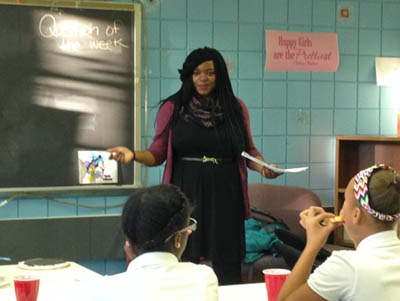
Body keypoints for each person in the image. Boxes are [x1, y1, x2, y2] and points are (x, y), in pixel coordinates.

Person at [107, 47, 281, 284]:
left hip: (226, 192)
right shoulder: (173, 107)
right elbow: (157, 153)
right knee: (185, 257)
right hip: (186, 191)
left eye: (209, 73)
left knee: (227, 260)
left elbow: (248, 151)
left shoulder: (236, 108)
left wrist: (263, 167)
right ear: (189, 75)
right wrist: (133, 155)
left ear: (219, 75)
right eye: (197, 73)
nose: (203, 78)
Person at [278, 164, 400, 301]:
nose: (341, 211)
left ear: (356, 215)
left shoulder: (346, 266)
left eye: (345, 201)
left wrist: (312, 246)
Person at [82, 184, 218, 301]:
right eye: (188, 227)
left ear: (128, 241)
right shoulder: (204, 278)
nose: (189, 232)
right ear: (177, 238)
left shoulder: (104, 290)